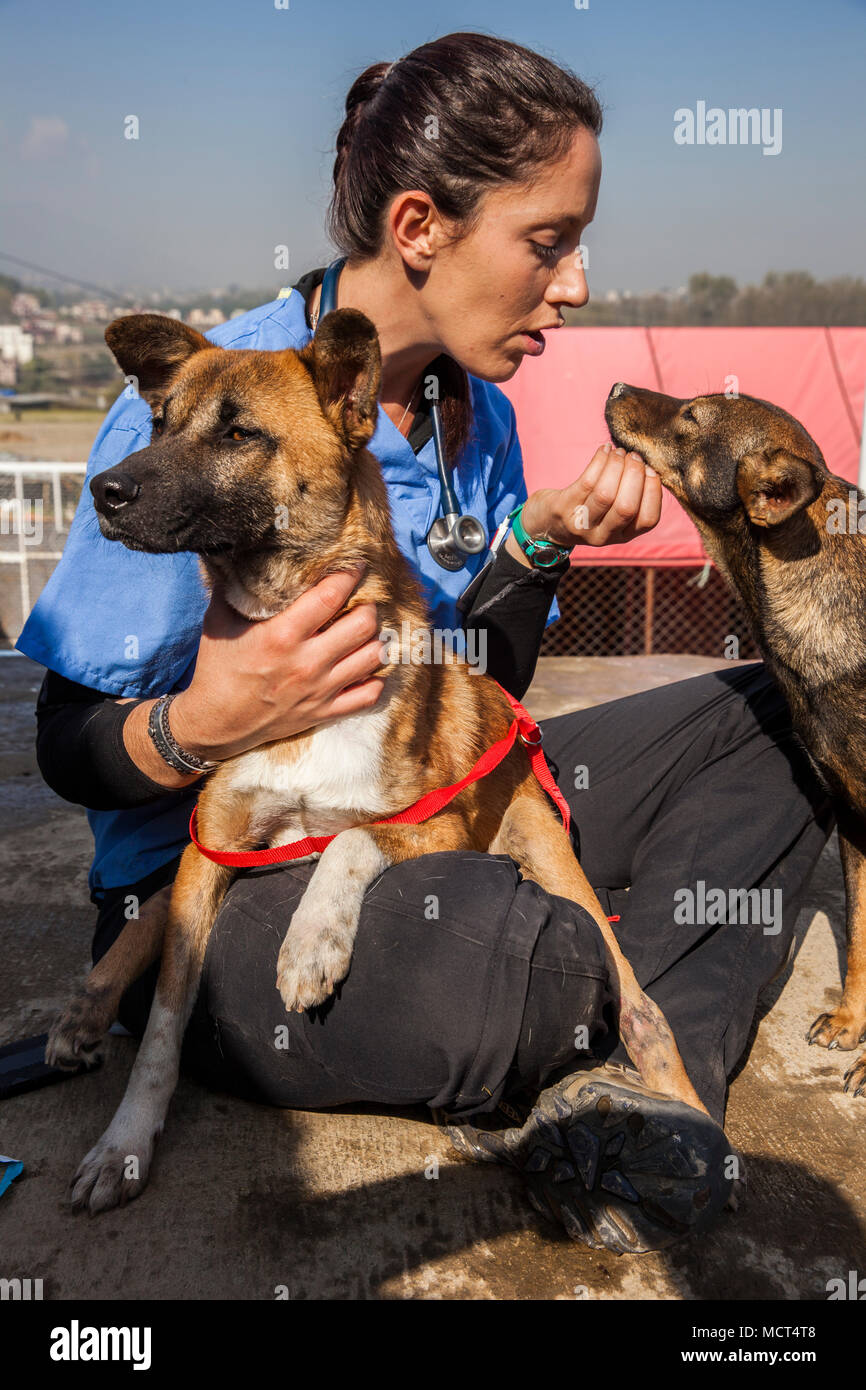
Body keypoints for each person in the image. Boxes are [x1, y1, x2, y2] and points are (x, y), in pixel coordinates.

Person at [19, 32, 832, 1255]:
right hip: (234, 886)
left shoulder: (475, 412)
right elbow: (66, 745)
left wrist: (537, 545)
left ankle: (652, 1080)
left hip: (431, 801)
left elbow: (479, 689)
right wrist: (204, 720)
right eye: (548, 242)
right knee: (512, 974)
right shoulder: (214, 411)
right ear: (420, 225)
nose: (574, 286)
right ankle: (576, 980)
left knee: (773, 716)